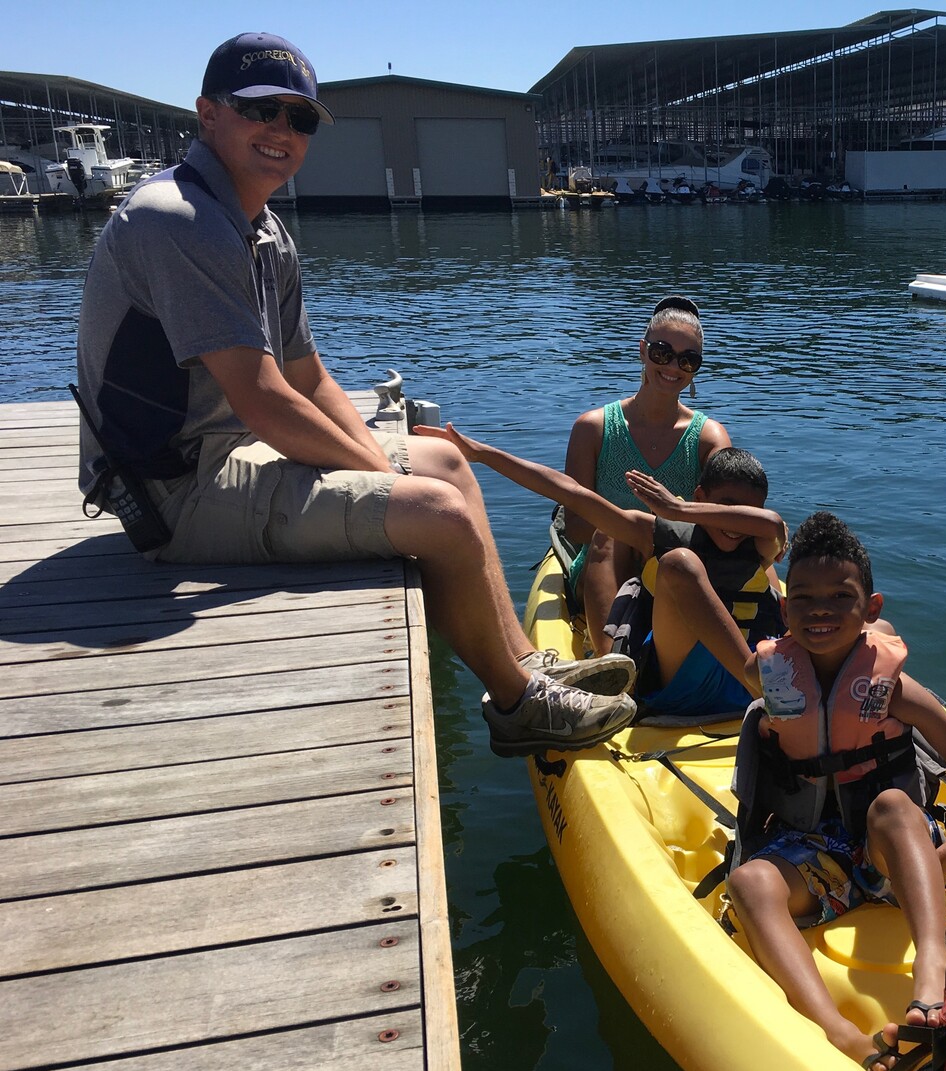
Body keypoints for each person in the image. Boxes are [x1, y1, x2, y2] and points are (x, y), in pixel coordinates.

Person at [72, 31, 634, 757]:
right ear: (207, 114)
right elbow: (266, 401)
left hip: (223, 457)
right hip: (170, 495)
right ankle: (519, 704)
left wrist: (378, 461)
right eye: (260, 111)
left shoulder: (261, 230)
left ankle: (528, 662)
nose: (281, 131)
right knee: (434, 510)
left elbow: (309, 374)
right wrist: (380, 476)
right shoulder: (177, 218)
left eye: (299, 119)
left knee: (447, 466)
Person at [725, 512, 946, 1071]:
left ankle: (930, 974)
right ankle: (842, 1035)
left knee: (891, 805)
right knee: (749, 881)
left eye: (841, 596)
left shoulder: (896, 690)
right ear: (786, 610)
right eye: (803, 596)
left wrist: (942, 858)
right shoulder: (774, 685)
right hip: (819, 855)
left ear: (871, 609)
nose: (820, 609)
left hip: (895, 855)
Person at [417, 423, 786, 719]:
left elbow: (771, 524)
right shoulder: (662, 533)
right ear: (701, 496)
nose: (737, 523)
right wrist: (482, 454)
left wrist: (679, 509)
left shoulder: (762, 544)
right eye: (726, 506)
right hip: (684, 681)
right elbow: (574, 494)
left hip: (743, 681)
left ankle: (756, 681)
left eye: (747, 511)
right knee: (679, 563)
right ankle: (757, 686)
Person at [563, 296, 732, 656]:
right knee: (607, 534)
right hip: (602, 566)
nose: (674, 366)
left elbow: (725, 520)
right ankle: (610, 665)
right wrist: (635, 530)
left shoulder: (709, 438)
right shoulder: (592, 429)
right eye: (662, 352)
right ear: (642, 351)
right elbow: (575, 526)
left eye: (688, 359)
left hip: (673, 566)